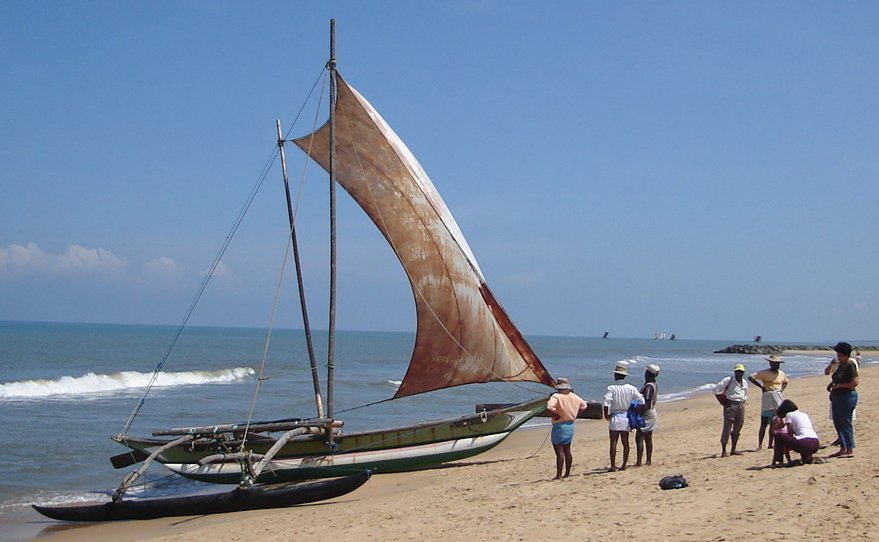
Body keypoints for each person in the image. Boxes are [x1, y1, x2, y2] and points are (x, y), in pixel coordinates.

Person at [603, 364, 645, 472]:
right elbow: (641, 400)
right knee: (625, 442)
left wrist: (606, 415)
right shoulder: (630, 388)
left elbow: (606, 402)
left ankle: (613, 465)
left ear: (615, 376)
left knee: (613, 442)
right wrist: (635, 410)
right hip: (626, 416)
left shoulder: (611, 388)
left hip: (615, 416)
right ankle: (624, 465)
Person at [546, 377, 587, 479]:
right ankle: (567, 473)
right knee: (567, 450)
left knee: (559, 452)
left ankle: (559, 474)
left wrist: (556, 414)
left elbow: (549, 407)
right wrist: (576, 413)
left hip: (559, 425)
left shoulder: (556, 397)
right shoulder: (574, 396)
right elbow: (584, 406)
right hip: (570, 425)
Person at [747, 355, 789, 450]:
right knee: (764, 422)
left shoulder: (781, 374)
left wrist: (781, 390)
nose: (776, 365)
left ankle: (770, 443)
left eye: (777, 363)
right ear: (770, 363)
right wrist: (761, 387)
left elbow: (786, 382)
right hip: (767, 397)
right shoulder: (764, 373)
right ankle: (760, 445)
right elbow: (751, 377)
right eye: (774, 363)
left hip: (777, 397)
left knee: (774, 422)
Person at [827, 341, 858, 458]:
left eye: (840, 355)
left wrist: (839, 386)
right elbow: (835, 377)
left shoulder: (850, 364)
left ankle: (849, 449)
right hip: (837, 396)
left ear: (846, 355)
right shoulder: (841, 364)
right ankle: (843, 448)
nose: (838, 357)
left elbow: (854, 382)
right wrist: (832, 384)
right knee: (837, 422)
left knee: (845, 423)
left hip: (846, 397)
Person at [772, 399, 819, 466]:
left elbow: (790, 432)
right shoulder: (804, 414)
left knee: (778, 435)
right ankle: (807, 458)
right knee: (799, 437)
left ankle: (779, 460)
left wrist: (785, 445)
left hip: (805, 443)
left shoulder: (789, 415)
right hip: (815, 442)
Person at [715, 364, 748, 457]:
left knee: (738, 426)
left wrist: (743, 401)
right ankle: (724, 450)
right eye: (737, 371)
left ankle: (733, 449)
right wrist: (723, 401)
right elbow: (717, 389)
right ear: (734, 372)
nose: (739, 373)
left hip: (740, 404)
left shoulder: (744, 382)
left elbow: (745, 393)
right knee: (727, 427)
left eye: (741, 372)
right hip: (730, 404)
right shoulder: (728, 380)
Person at [635, 364, 660, 467]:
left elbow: (646, 401)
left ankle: (639, 461)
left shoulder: (648, 386)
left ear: (648, 374)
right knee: (648, 438)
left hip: (647, 413)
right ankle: (648, 460)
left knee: (639, 437)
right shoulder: (654, 384)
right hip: (652, 411)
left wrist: (638, 411)